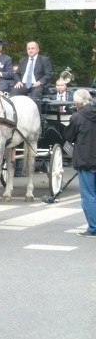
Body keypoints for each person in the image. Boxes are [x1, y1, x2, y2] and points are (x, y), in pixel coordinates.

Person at [63, 89, 96, 237]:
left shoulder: (77, 117)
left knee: (88, 196)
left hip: (86, 161)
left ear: (77, 103)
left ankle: (93, 228)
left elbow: (68, 136)